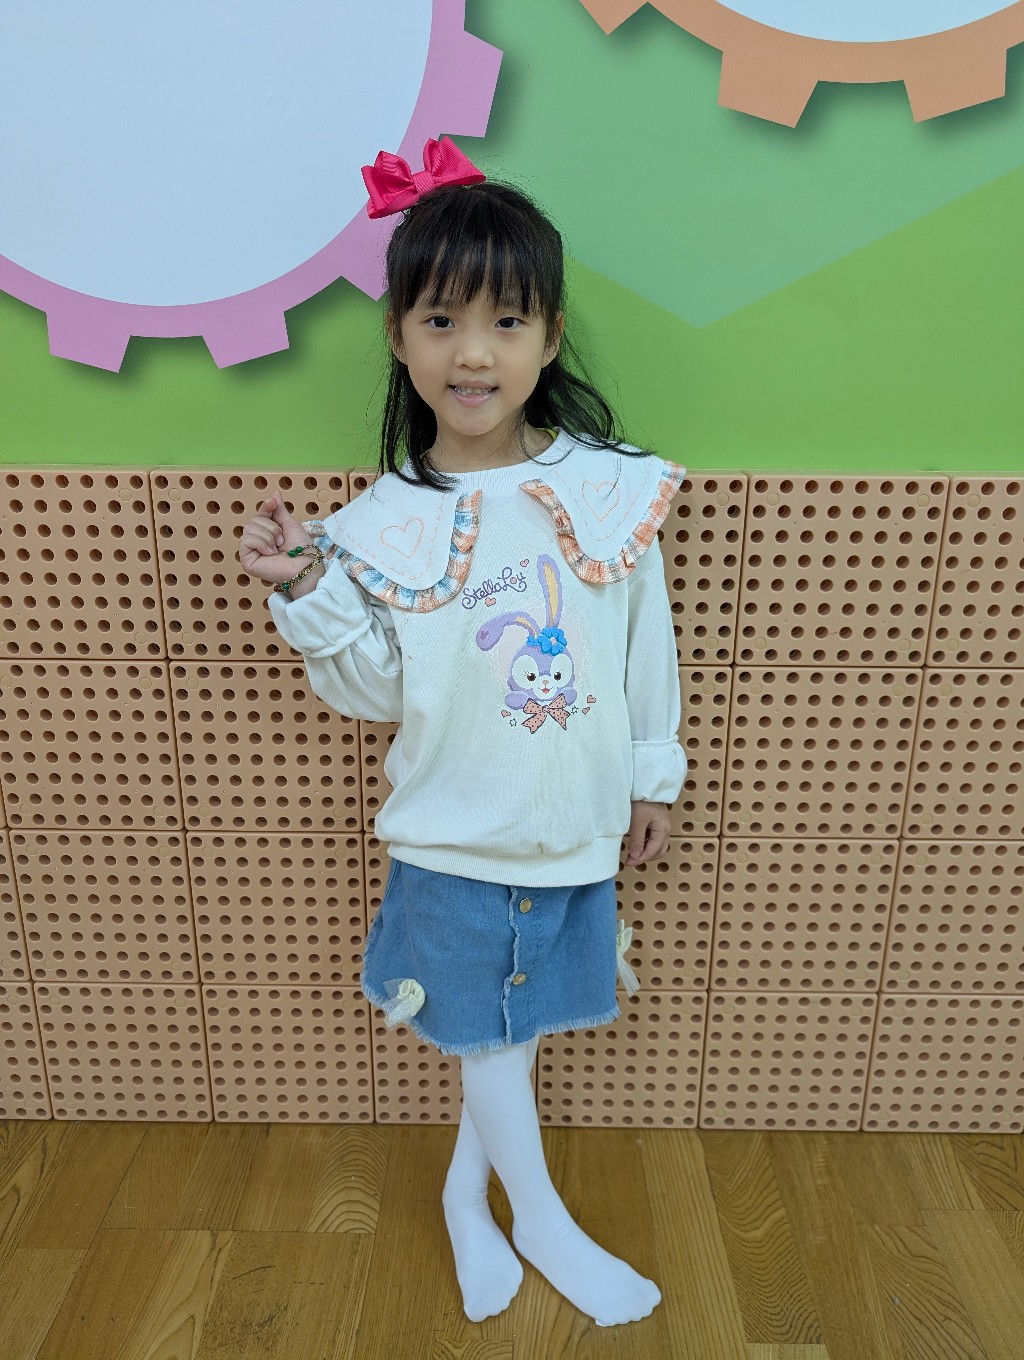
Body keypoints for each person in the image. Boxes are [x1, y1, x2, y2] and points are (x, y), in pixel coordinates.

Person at [239, 139, 687, 1328]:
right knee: (487, 1040)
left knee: (512, 1030)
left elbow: (643, 640)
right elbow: (376, 692)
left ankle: (459, 1196)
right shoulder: (377, 525)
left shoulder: (606, 489)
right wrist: (308, 589)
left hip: (574, 823)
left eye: (505, 322)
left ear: (548, 338)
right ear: (399, 335)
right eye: (440, 320)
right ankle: (537, 1217)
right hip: (449, 832)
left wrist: (652, 773)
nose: (472, 353)